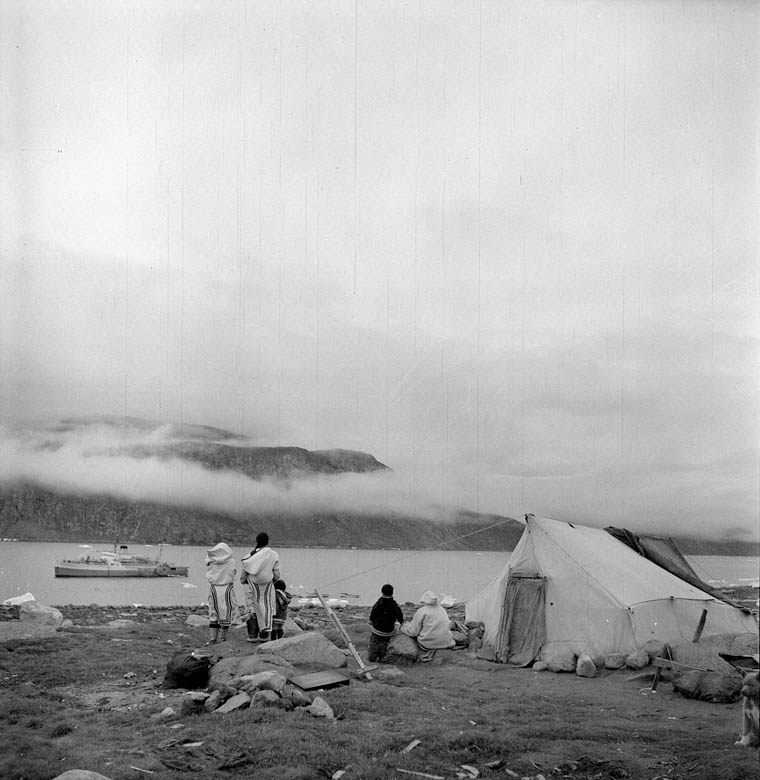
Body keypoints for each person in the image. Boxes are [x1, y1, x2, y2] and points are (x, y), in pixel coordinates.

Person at [240, 532, 280, 642]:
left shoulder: (250, 555)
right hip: (267, 585)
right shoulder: (273, 554)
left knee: (252, 608)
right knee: (266, 608)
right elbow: (276, 572)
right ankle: (264, 635)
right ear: (267, 541)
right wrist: (275, 580)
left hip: (252, 585)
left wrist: (243, 581)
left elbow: (245, 571)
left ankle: (252, 635)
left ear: (257, 541)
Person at [400, 590, 455, 662]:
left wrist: (403, 626)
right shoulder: (442, 610)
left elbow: (413, 632)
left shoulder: (422, 611)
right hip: (446, 642)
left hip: (428, 643)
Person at [204, 542, 238, 645]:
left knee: (213, 613)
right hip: (227, 588)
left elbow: (209, 575)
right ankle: (223, 637)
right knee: (226, 613)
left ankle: (213, 638)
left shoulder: (210, 561)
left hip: (214, 588)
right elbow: (233, 573)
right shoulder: (231, 562)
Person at [368, 583, 405, 662]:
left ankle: (372, 657)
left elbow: (372, 616)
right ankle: (382, 657)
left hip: (377, 629)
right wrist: (402, 623)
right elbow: (400, 616)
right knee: (384, 643)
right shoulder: (394, 605)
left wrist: (371, 621)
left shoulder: (378, 603)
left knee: (374, 642)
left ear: (382, 592)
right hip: (388, 630)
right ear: (392, 593)